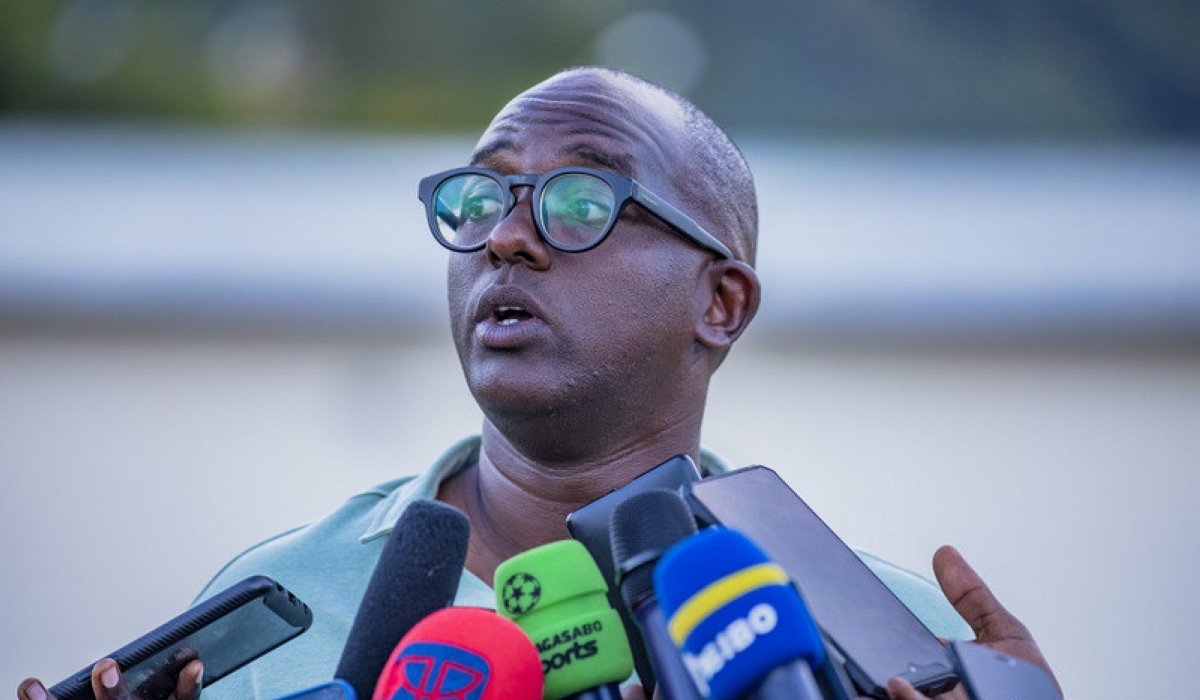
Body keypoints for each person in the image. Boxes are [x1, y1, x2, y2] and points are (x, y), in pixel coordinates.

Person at [17, 66, 1059, 700]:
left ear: (721, 302)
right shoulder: (286, 599)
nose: (508, 236)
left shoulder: (897, 638)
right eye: (481, 199)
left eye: (578, 201)